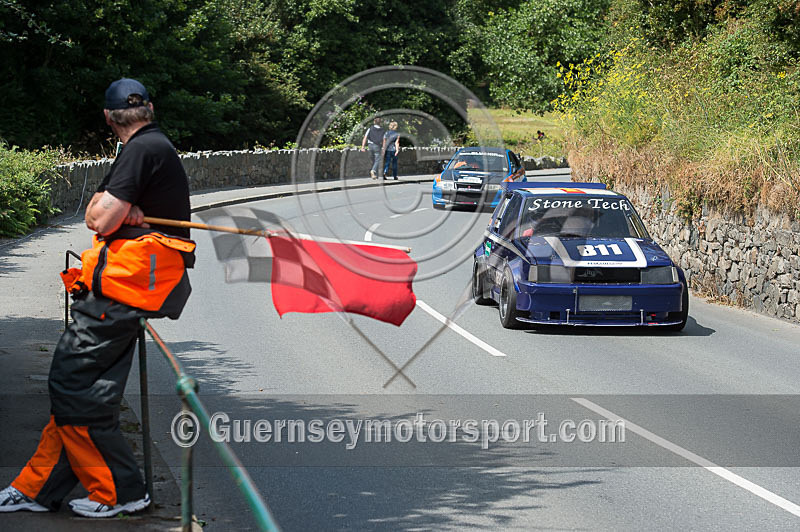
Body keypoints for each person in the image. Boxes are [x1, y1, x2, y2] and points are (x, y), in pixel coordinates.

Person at [0, 78, 194, 518]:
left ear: (107, 117)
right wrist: (114, 212)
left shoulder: (142, 149)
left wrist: (114, 211)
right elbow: (99, 215)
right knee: (86, 394)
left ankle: (123, 491)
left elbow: (98, 220)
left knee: (71, 388)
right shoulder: (147, 148)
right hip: (130, 287)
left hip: (124, 289)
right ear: (150, 108)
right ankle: (38, 487)